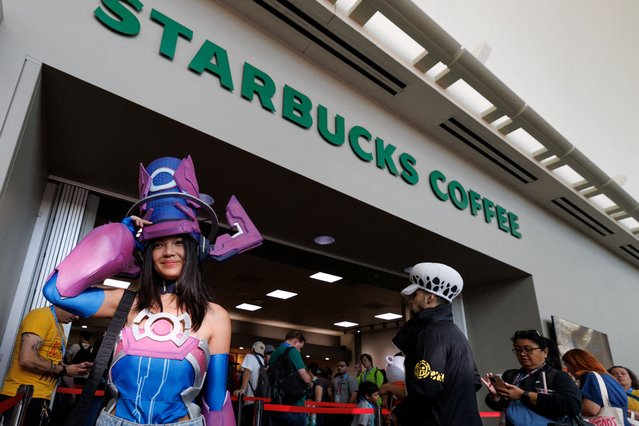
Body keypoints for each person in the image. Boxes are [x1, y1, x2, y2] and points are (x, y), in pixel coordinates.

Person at [42, 155, 262, 425]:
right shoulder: (126, 303)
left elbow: (215, 401)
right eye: (158, 244)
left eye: (179, 242)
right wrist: (120, 237)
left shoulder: (214, 316)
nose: (169, 251)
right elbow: (57, 292)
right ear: (146, 251)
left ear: (195, 250)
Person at [392, 262, 482, 426]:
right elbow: (474, 381)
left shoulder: (430, 333)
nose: (410, 300)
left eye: (415, 294)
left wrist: (401, 412)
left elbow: (426, 387)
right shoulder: (455, 332)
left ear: (429, 298)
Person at [0, 305, 93, 426]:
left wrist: (73, 374)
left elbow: (55, 363)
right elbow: (27, 359)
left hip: (40, 398)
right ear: (61, 304)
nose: (77, 317)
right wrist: (64, 370)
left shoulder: (58, 326)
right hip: (21, 396)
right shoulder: (41, 316)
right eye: (75, 312)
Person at [483, 330, 582, 425]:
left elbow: (573, 405)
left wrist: (523, 395)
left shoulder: (557, 376)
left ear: (545, 352)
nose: (522, 354)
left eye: (528, 349)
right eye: (518, 350)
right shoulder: (511, 375)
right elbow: (502, 407)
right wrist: (495, 397)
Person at [562, 349, 630, 425]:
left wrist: (567, 406)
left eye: (567, 365)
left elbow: (591, 409)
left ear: (575, 364)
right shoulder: (610, 378)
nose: (567, 370)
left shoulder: (591, 376)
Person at [269, 330, 312, 426]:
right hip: (295, 405)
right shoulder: (292, 351)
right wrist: (310, 381)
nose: (299, 350)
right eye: (300, 347)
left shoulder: (274, 353)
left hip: (277, 403)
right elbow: (305, 378)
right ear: (296, 341)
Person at [234, 341, 267, 425]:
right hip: (259, 401)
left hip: (249, 399)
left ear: (253, 349)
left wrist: (242, 389)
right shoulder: (263, 362)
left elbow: (247, 372)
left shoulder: (250, 356)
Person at [332, 359, 358, 426]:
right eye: (338, 366)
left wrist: (347, 408)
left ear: (347, 367)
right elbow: (332, 393)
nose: (339, 367)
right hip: (336, 409)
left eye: (342, 366)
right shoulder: (335, 380)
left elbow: (354, 394)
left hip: (346, 410)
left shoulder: (351, 379)